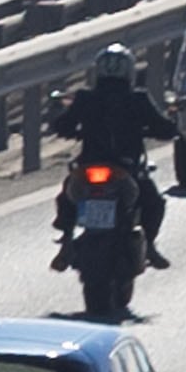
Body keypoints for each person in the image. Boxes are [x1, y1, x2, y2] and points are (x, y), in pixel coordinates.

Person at [50, 46, 177, 272]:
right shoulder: (138, 99)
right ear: (129, 72)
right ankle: (149, 247)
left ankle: (66, 239)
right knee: (153, 202)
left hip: (91, 165)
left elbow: (62, 125)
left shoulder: (85, 98)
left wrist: (69, 128)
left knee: (67, 195)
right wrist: (167, 127)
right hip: (124, 167)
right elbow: (164, 128)